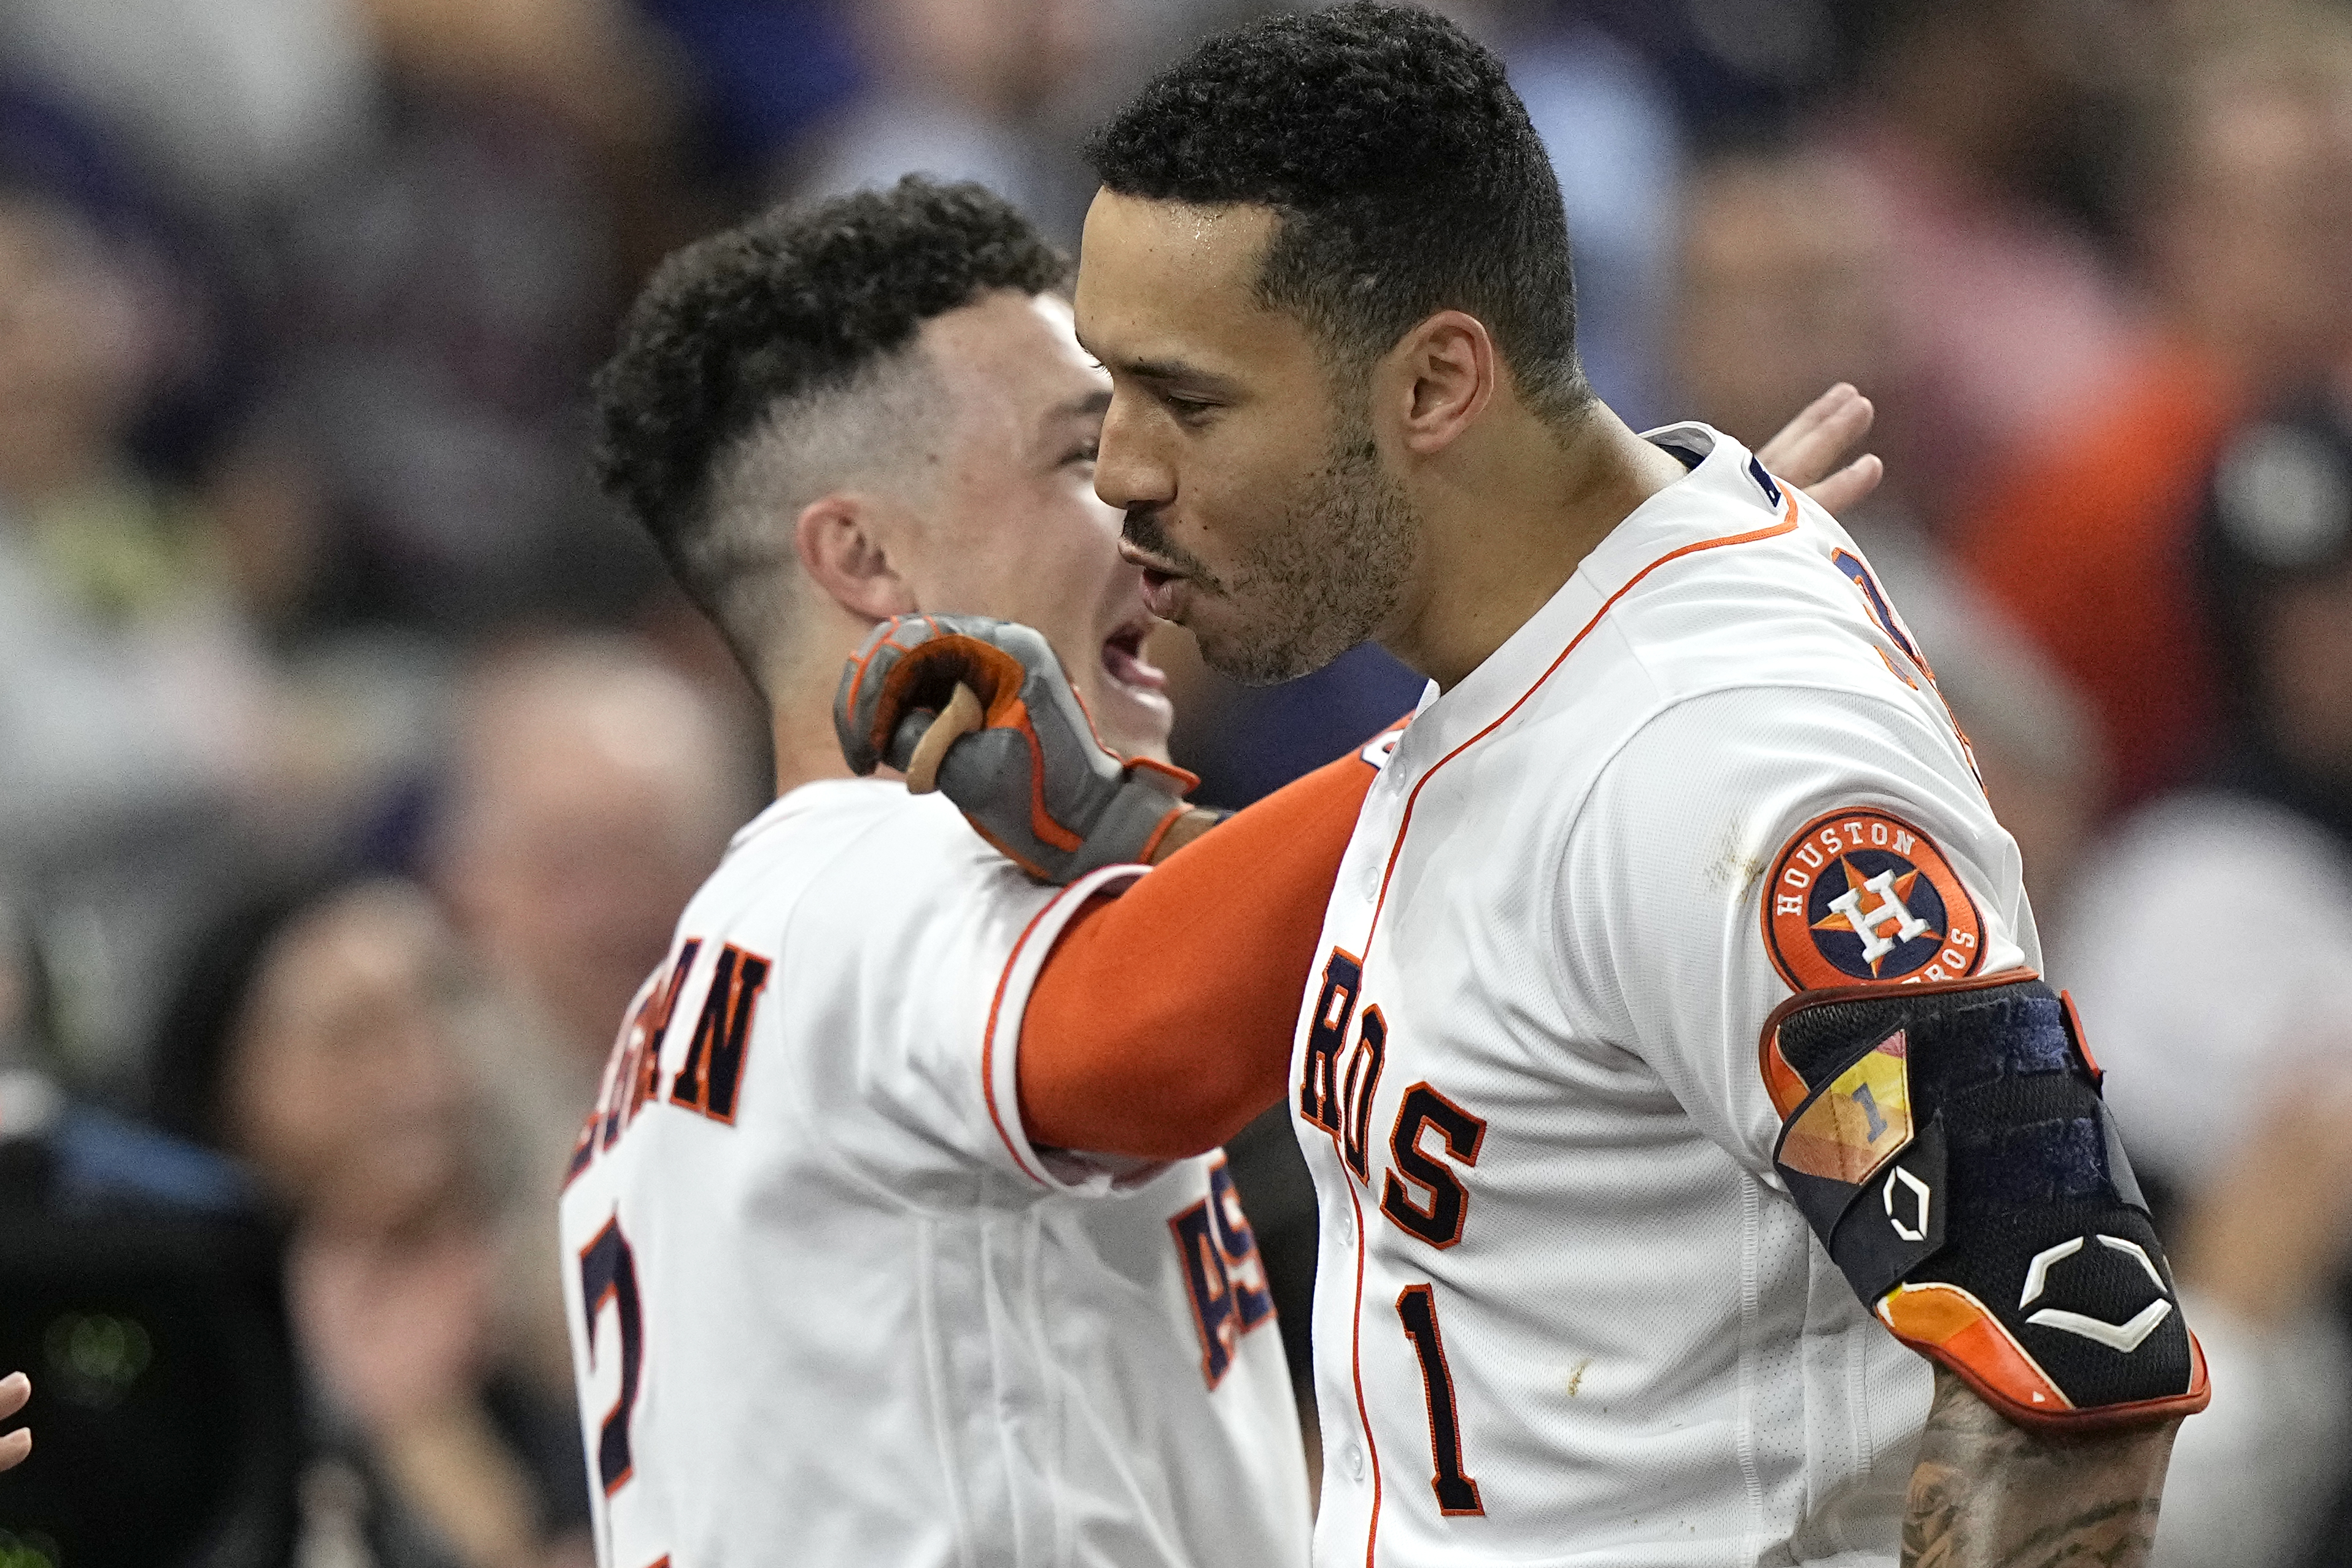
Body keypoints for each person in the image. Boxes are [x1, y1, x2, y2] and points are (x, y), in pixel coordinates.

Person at [849, 7, 2205, 1566]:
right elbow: (1521, 952)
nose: (1123, 470)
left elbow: (2074, 1359)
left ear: (1434, 384)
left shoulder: (1721, 745)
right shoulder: (1534, 649)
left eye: (1192, 401)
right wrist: (1126, 836)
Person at [567, 170, 1874, 1566]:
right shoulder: (862, 869)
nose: (1144, 489)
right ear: (863, 556)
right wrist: (1573, 643)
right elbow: (1150, 1041)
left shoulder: (724, 993)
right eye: (1080, 453)